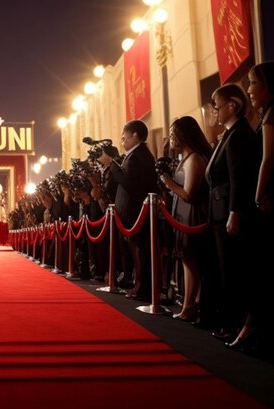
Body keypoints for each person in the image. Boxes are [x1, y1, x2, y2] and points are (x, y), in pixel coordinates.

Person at [231, 60, 274, 353]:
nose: (248, 90)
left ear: (268, 85)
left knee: (266, 267)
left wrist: (259, 194)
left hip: (271, 199)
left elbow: (269, 159)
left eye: (252, 82)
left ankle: (260, 333)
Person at [206, 83, 261, 344]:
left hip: (230, 210)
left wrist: (235, 211)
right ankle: (231, 321)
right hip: (220, 209)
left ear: (233, 105)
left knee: (235, 271)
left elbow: (239, 178)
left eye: (217, 106)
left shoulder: (239, 135)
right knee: (226, 270)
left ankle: (238, 323)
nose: (214, 111)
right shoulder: (228, 134)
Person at [159, 116, 213, 322]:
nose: (171, 138)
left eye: (174, 134)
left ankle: (191, 305)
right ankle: (190, 302)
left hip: (192, 214)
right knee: (186, 258)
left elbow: (189, 193)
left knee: (191, 259)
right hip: (180, 214)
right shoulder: (184, 158)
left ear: (184, 135)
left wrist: (168, 182)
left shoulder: (194, 159)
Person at [98, 120, 159, 302]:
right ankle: (138, 285)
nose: (122, 141)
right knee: (136, 252)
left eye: (125, 136)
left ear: (135, 135)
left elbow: (129, 183)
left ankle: (143, 288)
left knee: (141, 251)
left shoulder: (139, 155)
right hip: (131, 213)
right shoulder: (134, 155)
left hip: (136, 212)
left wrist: (111, 163)